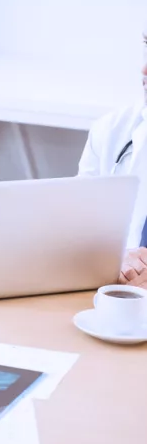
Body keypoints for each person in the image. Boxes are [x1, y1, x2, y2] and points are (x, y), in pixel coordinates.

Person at [78, 26, 147, 287]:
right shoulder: (111, 132)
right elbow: (77, 235)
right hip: (115, 304)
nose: (144, 69)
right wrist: (117, 262)